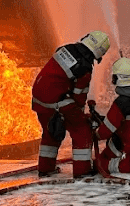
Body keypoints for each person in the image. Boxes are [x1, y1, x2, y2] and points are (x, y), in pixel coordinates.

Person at [31, 30, 110, 177]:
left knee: (51, 132)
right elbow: (79, 96)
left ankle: (45, 170)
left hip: (39, 98)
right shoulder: (84, 67)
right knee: (82, 131)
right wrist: (81, 116)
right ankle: (82, 172)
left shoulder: (66, 49)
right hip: (57, 100)